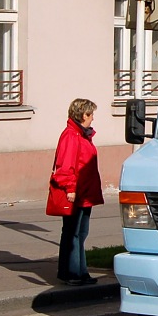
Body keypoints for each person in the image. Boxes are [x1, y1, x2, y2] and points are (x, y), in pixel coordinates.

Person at [52, 98, 104, 285]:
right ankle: (73, 273)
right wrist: (70, 189)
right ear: (83, 115)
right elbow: (66, 166)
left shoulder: (82, 136)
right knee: (73, 233)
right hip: (76, 192)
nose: (92, 119)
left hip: (85, 192)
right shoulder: (71, 136)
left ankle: (79, 272)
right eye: (90, 115)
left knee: (80, 233)